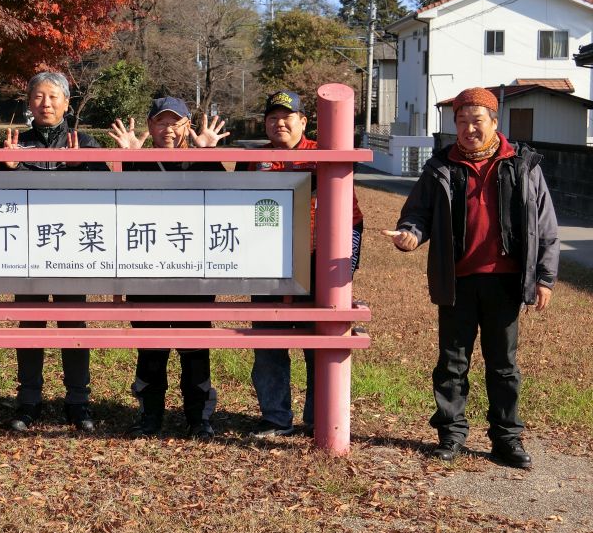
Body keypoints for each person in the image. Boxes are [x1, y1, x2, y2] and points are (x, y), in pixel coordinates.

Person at [381, 87, 559, 468]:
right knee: (452, 362)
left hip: (505, 283)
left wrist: (545, 277)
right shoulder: (441, 166)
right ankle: (451, 434)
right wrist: (410, 234)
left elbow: (545, 224)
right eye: (461, 121)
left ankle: (506, 439)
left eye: (476, 121)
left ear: (494, 122)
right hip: (457, 281)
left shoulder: (522, 164)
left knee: (503, 366)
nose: (468, 129)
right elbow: (418, 213)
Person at [238, 90, 364, 438]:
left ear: (303, 121)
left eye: (287, 117)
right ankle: (275, 418)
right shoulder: (253, 160)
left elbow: (352, 218)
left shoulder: (323, 157)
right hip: (267, 266)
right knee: (268, 345)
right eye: (272, 117)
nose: (279, 123)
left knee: (317, 344)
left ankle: (317, 417)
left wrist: (345, 269)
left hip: (315, 265)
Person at [0, 71, 108, 433]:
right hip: (26, 248)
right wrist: (4, 166)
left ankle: (78, 402)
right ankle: (28, 401)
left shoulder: (83, 142)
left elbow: (109, 188)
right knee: (30, 323)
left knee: (73, 322)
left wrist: (81, 165)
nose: (46, 104)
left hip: (72, 248)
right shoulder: (16, 144)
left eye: (54, 97)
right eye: (39, 96)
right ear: (29, 102)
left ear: (67, 103)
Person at [107, 96, 229, 439]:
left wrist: (208, 154)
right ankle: (149, 416)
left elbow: (228, 195)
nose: (169, 129)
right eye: (161, 122)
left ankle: (198, 417)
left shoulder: (202, 161)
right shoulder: (137, 163)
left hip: (195, 273)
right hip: (147, 273)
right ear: (150, 126)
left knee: (195, 347)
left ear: (188, 126)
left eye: (176, 122)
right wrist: (130, 158)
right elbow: (119, 205)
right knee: (151, 347)